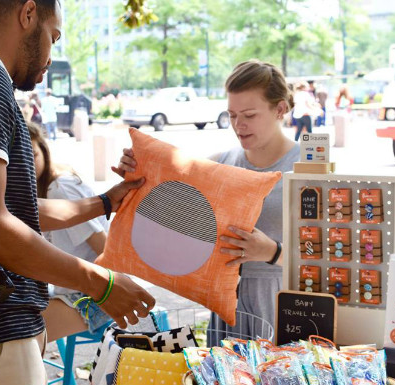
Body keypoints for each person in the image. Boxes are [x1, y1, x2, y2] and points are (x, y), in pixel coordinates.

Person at [0, 1, 155, 385]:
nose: (51, 55)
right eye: (54, 37)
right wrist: (101, 284)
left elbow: (10, 208)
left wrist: (104, 202)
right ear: (28, 13)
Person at [114, 59, 300, 345]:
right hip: (227, 312)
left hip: (283, 306)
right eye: (233, 114)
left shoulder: (307, 169)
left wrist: (273, 252)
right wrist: (137, 169)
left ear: (280, 109)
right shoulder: (220, 166)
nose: (239, 125)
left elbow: (333, 260)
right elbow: (167, 199)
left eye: (249, 115)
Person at [28, 122, 111, 332]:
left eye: (34, 155)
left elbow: (105, 248)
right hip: (70, 290)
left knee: (22, 334)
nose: (28, 163)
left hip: (95, 293)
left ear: (44, 151)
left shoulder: (59, 189)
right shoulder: (41, 189)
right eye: (21, 157)